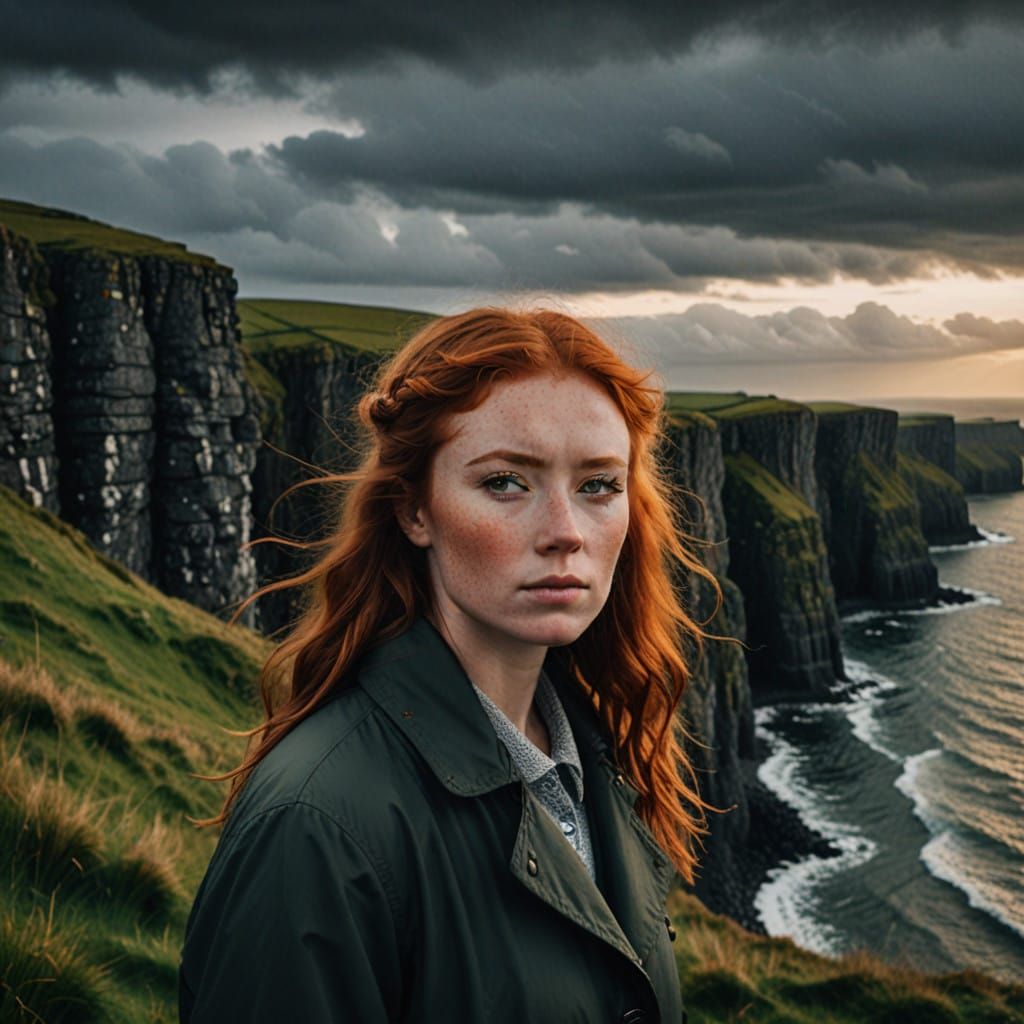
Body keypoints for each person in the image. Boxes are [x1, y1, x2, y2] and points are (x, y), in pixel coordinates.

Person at [178, 306, 726, 1023]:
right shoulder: (317, 824)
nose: (565, 532)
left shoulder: (597, 758)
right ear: (414, 511)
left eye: (598, 485)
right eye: (506, 482)